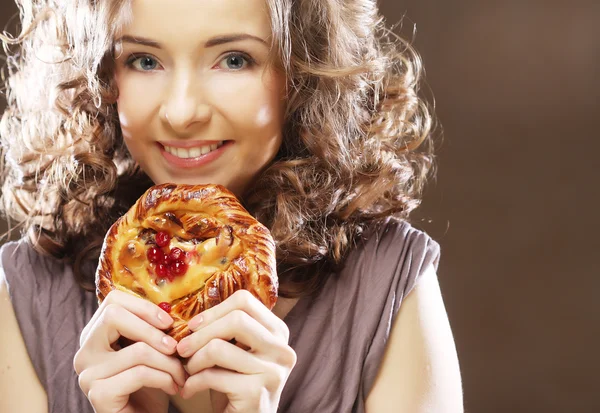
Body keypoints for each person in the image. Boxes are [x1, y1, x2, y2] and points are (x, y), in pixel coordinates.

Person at [0, 0, 463, 412]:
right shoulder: (25, 299)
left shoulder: (389, 286)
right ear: (100, 74)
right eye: (144, 60)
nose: (182, 113)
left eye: (234, 59)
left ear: (303, 72)